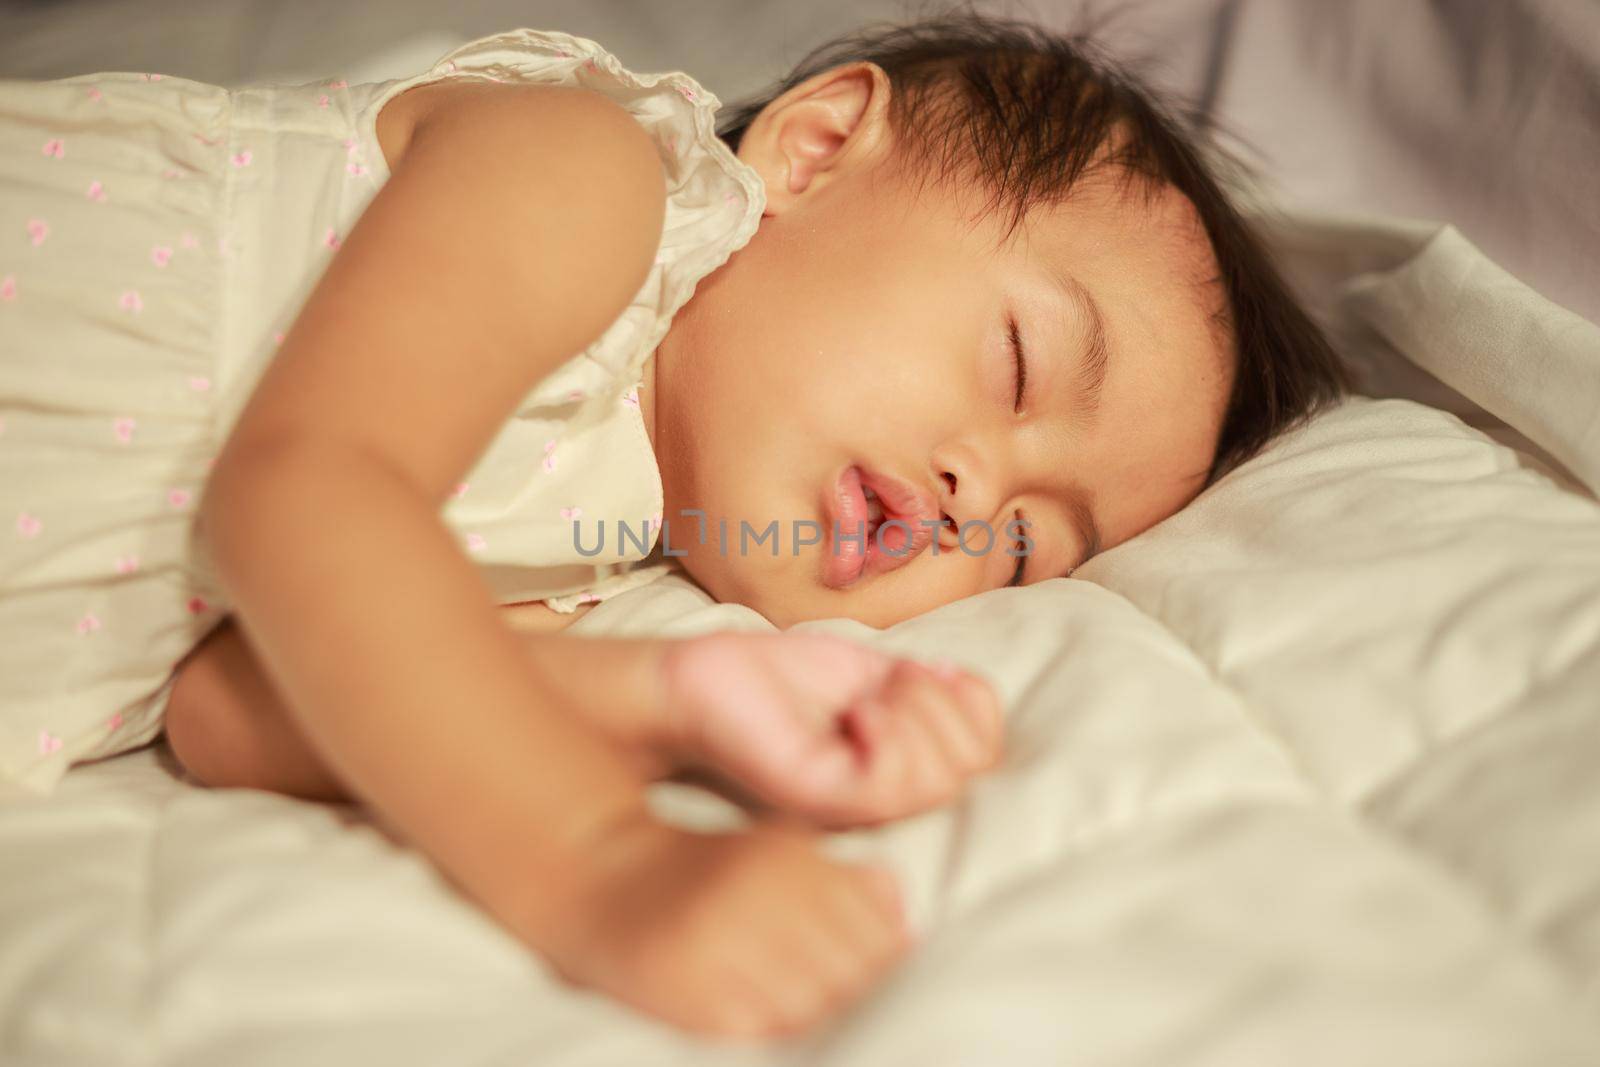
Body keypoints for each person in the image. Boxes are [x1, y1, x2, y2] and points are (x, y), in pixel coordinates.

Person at [0, 7, 1351, 1041]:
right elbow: (303, 493)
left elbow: (234, 706)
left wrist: (678, 691)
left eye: (1021, 546)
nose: (975, 497)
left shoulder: (585, 544)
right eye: (1014, 365)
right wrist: (608, 860)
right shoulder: (587, 179)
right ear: (817, 152)